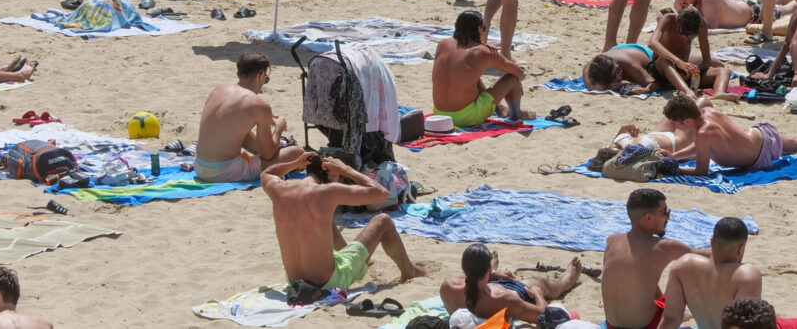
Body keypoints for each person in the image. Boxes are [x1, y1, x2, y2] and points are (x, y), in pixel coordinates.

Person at [262, 151, 426, 294]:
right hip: (328, 282)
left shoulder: (279, 191)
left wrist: (295, 163)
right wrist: (346, 170)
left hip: (294, 281)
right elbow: (382, 193)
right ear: (328, 174)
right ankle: (409, 271)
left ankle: (359, 258)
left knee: (325, 220)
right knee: (384, 221)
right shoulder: (327, 192)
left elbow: (266, 174)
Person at [661, 93, 797, 174]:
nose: (676, 127)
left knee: (792, 146)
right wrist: (675, 156)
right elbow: (700, 148)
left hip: (759, 154)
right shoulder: (708, 113)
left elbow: (701, 171)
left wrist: (675, 168)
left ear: (686, 121)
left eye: (675, 123)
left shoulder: (703, 134)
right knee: (793, 144)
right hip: (760, 134)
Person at [195, 52, 306, 183]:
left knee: (242, 132)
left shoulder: (218, 91)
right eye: (266, 79)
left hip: (200, 167)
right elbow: (268, 155)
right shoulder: (260, 105)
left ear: (238, 75)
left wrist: (266, 120)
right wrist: (279, 127)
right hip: (225, 172)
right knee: (297, 153)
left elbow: (232, 121)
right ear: (261, 76)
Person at [602, 189, 698, 329]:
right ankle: (675, 318)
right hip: (647, 325)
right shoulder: (663, 247)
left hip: (611, 325)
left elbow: (642, 276)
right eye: (665, 212)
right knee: (685, 271)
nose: (668, 217)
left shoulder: (612, 241)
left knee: (641, 277)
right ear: (648, 218)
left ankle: (664, 308)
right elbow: (706, 256)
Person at [659, 218, 762, 329]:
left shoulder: (683, 266)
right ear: (741, 248)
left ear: (711, 242)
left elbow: (670, 319)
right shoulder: (746, 275)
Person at [432, 10, 530, 126]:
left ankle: (500, 110)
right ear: (479, 29)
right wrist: (518, 80)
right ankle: (516, 113)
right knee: (512, 78)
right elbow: (518, 71)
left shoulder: (443, 44)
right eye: (484, 28)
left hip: (440, 115)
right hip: (467, 117)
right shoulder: (483, 51)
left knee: (471, 77)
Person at [441, 245, 583, 323]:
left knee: (488, 276)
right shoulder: (504, 300)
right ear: (487, 270)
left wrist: (494, 274)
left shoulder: (448, 287)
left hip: (487, 283)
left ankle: (494, 267)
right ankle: (567, 281)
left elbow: (471, 278)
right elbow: (544, 316)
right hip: (506, 289)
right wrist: (538, 295)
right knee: (540, 283)